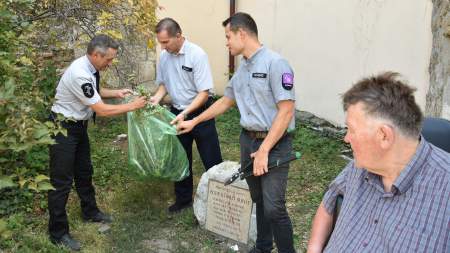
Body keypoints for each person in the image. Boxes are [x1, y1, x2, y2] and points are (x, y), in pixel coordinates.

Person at [177, 12, 296, 253]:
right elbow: (225, 101)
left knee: (274, 207)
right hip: (248, 141)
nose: (227, 42)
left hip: (274, 143)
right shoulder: (242, 69)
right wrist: (194, 121)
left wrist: (264, 150)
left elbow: (286, 111)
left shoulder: (276, 63)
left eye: (228, 36)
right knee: (259, 199)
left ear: (242, 33)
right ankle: (263, 247)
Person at [307, 72, 450, 253]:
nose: (346, 138)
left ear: (384, 136)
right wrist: (313, 248)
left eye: (351, 130)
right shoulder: (362, 164)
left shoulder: (445, 190)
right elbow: (328, 204)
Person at [48, 34, 147, 251]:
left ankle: (90, 212)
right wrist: (132, 106)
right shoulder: (79, 73)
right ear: (95, 54)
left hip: (78, 127)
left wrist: (117, 93)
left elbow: (95, 92)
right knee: (61, 181)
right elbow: (101, 110)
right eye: (108, 60)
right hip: (63, 129)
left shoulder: (91, 68)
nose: (110, 64)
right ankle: (58, 233)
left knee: (84, 171)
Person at [151, 17, 223, 213]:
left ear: (178, 36)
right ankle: (183, 199)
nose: (162, 47)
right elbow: (164, 84)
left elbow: (204, 93)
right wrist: (156, 99)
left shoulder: (197, 54)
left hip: (200, 113)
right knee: (180, 158)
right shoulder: (164, 56)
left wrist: (186, 113)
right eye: (160, 43)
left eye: (165, 42)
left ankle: (219, 201)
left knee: (211, 158)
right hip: (176, 114)